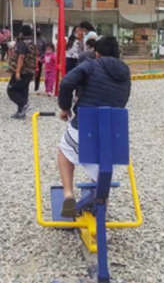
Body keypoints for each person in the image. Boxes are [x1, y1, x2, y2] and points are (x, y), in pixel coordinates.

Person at [57, 36, 131, 218]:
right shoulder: (125, 72)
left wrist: (65, 108)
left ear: (97, 52)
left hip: (84, 130)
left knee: (64, 150)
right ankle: (100, 200)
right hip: (112, 138)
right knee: (100, 160)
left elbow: (66, 82)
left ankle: (68, 194)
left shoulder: (92, 65)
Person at [7, 25, 37, 119]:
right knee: (23, 91)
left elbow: (21, 57)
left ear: (22, 33)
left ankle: (24, 104)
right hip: (30, 71)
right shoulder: (32, 44)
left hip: (23, 71)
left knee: (11, 90)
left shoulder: (22, 43)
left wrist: (17, 72)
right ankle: (21, 112)